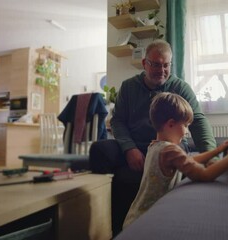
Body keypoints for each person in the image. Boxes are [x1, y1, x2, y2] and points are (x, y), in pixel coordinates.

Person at [88, 39, 218, 235]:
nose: (161, 70)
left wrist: (211, 154)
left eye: (166, 65)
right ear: (144, 64)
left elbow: (198, 120)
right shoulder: (128, 87)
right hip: (135, 146)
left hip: (168, 145)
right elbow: (118, 121)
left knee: (175, 153)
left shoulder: (180, 87)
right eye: (156, 64)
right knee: (99, 150)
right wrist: (129, 148)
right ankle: (107, 225)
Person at [123, 92, 228, 228]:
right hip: (147, 222)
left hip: (135, 217)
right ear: (171, 124)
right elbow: (205, 175)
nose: (187, 131)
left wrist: (217, 150)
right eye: (185, 125)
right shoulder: (170, 151)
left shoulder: (154, 146)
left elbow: (189, 160)